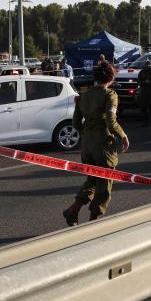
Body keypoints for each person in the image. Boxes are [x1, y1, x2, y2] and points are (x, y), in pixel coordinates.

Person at [63, 60, 130, 226]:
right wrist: (122, 135)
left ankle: (73, 210)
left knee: (92, 179)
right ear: (112, 78)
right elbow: (110, 120)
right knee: (105, 183)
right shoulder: (110, 95)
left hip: (87, 144)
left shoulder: (84, 95)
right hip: (103, 145)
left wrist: (86, 133)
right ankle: (93, 222)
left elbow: (76, 123)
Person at [137, 60, 151, 127]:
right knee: (143, 108)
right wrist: (144, 82)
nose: (148, 65)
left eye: (149, 64)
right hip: (143, 91)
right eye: (146, 64)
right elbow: (139, 81)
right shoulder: (141, 72)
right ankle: (145, 122)